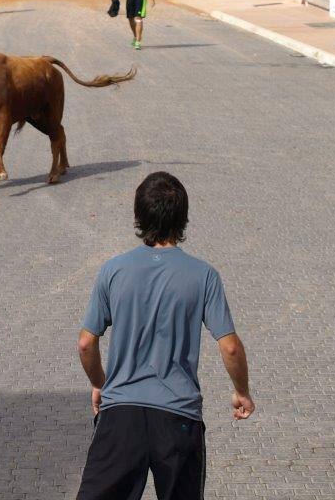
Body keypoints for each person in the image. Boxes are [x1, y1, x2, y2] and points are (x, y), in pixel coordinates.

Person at [75, 172, 254, 499]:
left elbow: (86, 342)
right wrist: (242, 391)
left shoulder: (113, 271)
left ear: (139, 215)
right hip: (178, 418)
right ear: (183, 218)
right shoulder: (204, 276)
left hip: (120, 416)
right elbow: (230, 348)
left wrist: (100, 383)